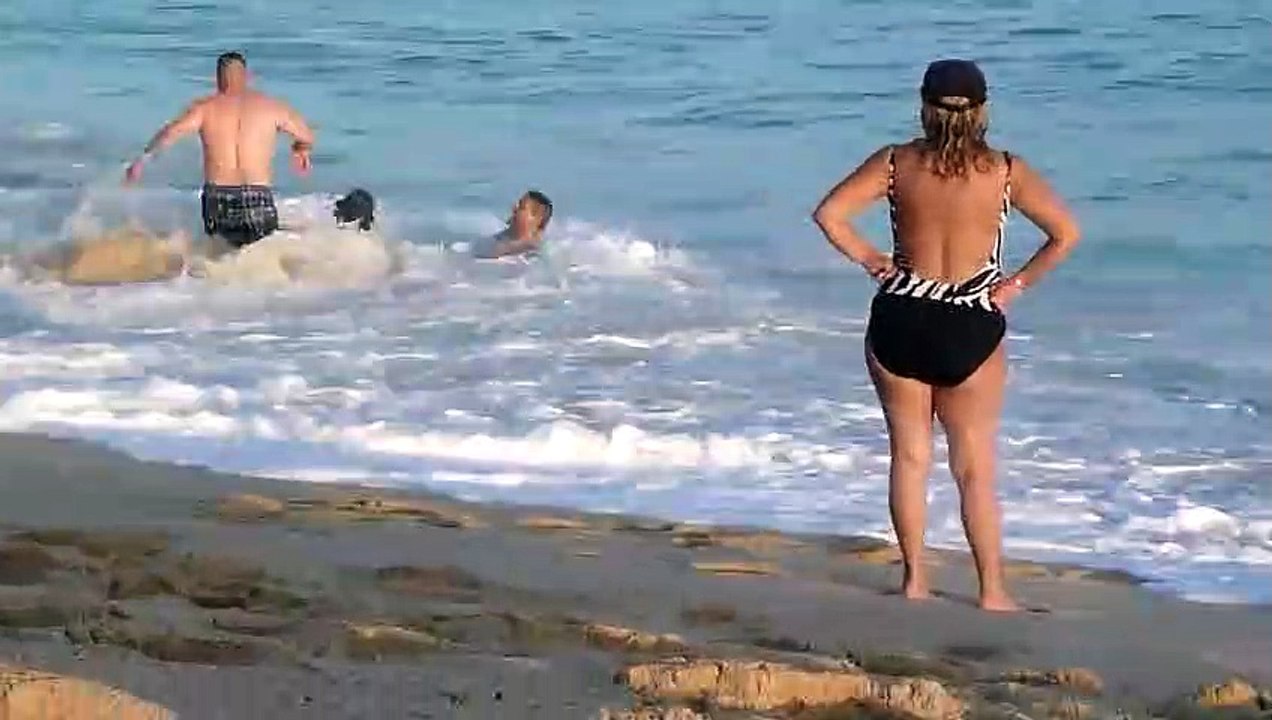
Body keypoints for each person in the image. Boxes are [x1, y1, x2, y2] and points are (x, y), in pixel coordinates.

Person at [811, 59, 1080, 612]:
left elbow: (830, 214)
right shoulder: (1005, 171)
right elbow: (1065, 234)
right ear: (982, 110)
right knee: (974, 465)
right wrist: (1015, 285)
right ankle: (992, 592)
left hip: (901, 315)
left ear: (924, 106)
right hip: (970, 321)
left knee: (909, 457)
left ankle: (914, 582)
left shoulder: (895, 163)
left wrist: (872, 260)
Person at [123, 51, 315, 251]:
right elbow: (306, 135)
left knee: (219, 259)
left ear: (217, 79)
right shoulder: (272, 107)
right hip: (257, 197)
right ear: (247, 76)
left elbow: (170, 134)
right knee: (261, 257)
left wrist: (141, 161)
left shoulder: (205, 108)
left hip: (219, 199)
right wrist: (300, 149)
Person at [471, 190, 553, 259]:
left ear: (536, 219)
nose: (514, 208)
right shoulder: (501, 237)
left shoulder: (536, 249)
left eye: (521, 207)